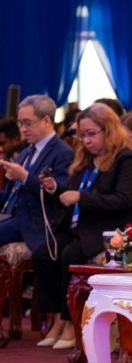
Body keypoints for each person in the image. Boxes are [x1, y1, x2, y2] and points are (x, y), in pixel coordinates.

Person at [31, 103, 132, 349]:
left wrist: (81, 198)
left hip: (109, 230)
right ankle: (57, 318)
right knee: (42, 255)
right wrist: (55, 189)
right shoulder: (86, 159)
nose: (86, 140)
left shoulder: (126, 159)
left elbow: (123, 200)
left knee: (69, 254)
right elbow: (71, 192)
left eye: (92, 134)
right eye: (83, 135)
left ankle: (70, 322)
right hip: (80, 227)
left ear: (108, 130)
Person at [0, 95, 74, 251]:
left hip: (34, 222)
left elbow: (60, 196)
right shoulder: (25, 151)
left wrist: (25, 177)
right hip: (11, 215)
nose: (23, 129)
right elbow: (13, 194)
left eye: (27, 123)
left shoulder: (63, 153)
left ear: (46, 121)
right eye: (20, 124)